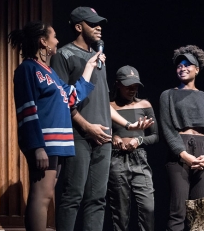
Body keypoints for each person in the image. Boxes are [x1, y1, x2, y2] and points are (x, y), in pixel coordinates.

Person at [50, 7, 153, 231]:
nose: (99, 28)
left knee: (97, 199)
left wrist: (128, 125)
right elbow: (61, 99)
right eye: (92, 23)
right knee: (72, 196)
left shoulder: (98, 59)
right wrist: (87, 127)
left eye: (100, 24)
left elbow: (102, 102)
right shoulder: (64, 55)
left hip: (104, 138)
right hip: (79, 136)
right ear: (79, 27)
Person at [8, 21, 104, 231]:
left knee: (47, 194)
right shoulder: (28, 69)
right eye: (54, 36)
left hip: (57, 143)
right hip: (44, 142)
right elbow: (27, 109)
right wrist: (37, 146)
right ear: (43, 42)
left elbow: (72, 96)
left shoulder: (50, 72)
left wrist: (89, 65)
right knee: (40, 195)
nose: (58, 40)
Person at [159, 45, 204, 231]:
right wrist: (183, 154)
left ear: (197, 69)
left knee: (200, 211)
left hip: (203, 153)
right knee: (178, 210)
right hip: (180, 151)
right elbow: (168, 128)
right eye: (179, 65)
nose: (182, 68)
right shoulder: (168, 95)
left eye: (187, 65)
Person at [107, 65, 158, 231]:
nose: (132, 89)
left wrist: (138, 140)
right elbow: (102, 132)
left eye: (135, 86)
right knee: (120, 212)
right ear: (118, 84)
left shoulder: (144, 104)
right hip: (117, 159)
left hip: (139, 158)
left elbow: (155, 136)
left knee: (148, 208)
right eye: (128, 85)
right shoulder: (109, 106)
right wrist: (113, 138)